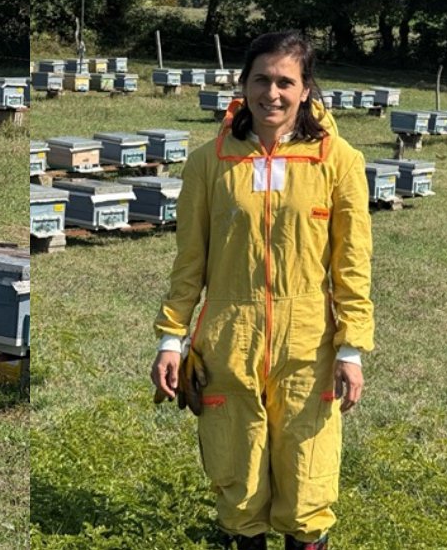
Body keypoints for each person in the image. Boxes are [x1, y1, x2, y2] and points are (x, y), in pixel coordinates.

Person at [150, 31, 373, 550]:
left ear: (306, 89)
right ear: (243, 83)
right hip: (229, 340)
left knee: (307, 481)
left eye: (285, 82)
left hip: (310, 345)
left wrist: (351, 347)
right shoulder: (210, 162)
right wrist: (170, 339)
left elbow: (353, 264)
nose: (272, 93)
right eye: (261, 79)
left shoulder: (339, 161)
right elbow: (190, 263)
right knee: (238, 479)